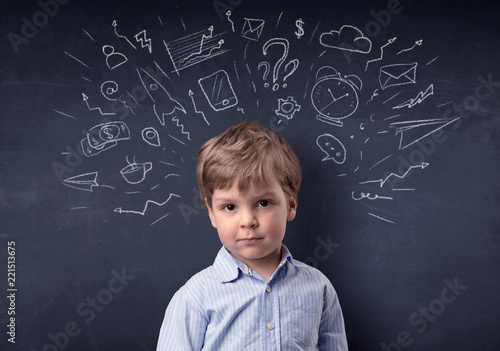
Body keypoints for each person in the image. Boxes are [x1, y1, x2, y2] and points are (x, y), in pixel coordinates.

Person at [156, 120, 348, 350]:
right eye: (229, 207)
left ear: (290, 206)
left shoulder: (319, 288)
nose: (248, 221)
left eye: (263, 203)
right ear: (212, 214)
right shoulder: (195, 297)